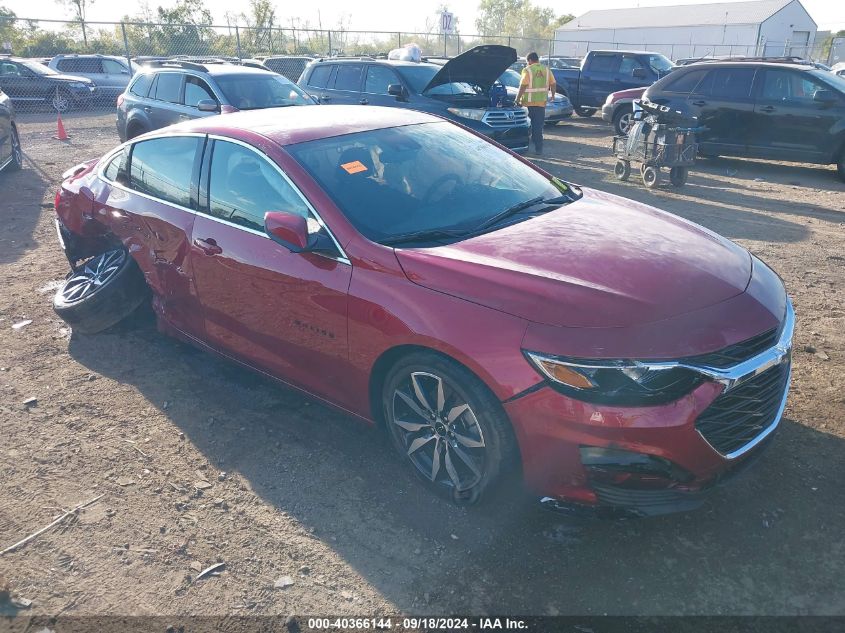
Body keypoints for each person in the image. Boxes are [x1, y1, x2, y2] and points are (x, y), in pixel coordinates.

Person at [516, 52, 556, 155]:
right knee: (538, 128)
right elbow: (553, 83)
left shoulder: (527, 70)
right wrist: (552, 95)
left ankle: (524, 149)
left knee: (525, 127)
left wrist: (517, 99)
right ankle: (539, 149)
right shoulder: (546, 70)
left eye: (527, 62)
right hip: (540, 105)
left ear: (529, 60)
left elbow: (523, 85)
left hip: (527, 105)